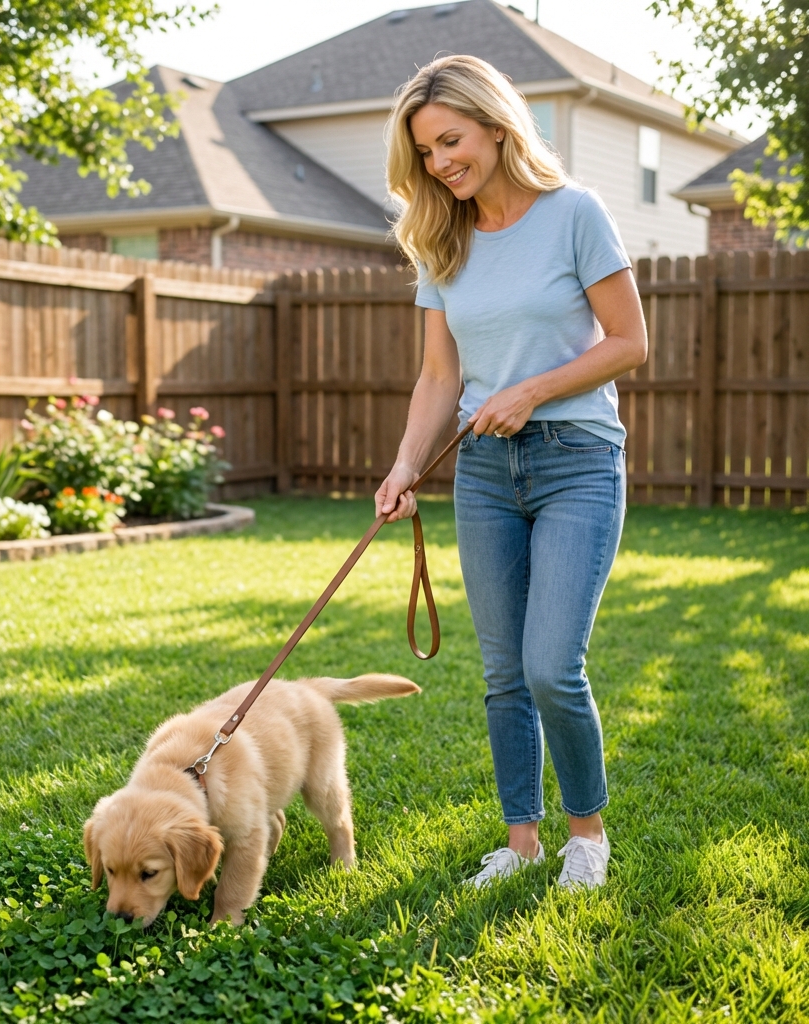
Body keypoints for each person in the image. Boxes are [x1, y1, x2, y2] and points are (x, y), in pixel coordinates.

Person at [376, 55, 647, 889]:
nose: (440, 162)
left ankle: (587, 836)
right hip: (485, 472)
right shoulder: (440, 240)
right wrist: (404, 465)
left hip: (576, 462)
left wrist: (531, 390)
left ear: (497, 126)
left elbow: (629, 343)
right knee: (502, 675)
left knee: (550, 665)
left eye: (450, 140)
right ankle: (521, 841)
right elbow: (439, 376)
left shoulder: (574, 214)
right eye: (425, 151)